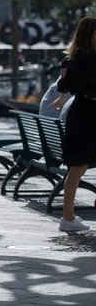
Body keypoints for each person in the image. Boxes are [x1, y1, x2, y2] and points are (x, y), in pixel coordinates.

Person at [50, 16, 96, 232]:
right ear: (92, 34)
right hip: (88, 113)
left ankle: (68, 217)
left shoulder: (75, 57)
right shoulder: (89, 58)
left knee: (77, 167)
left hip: (81, 112)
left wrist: (60, 99)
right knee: (78, 167)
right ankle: (67, 218)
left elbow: (64, 83)